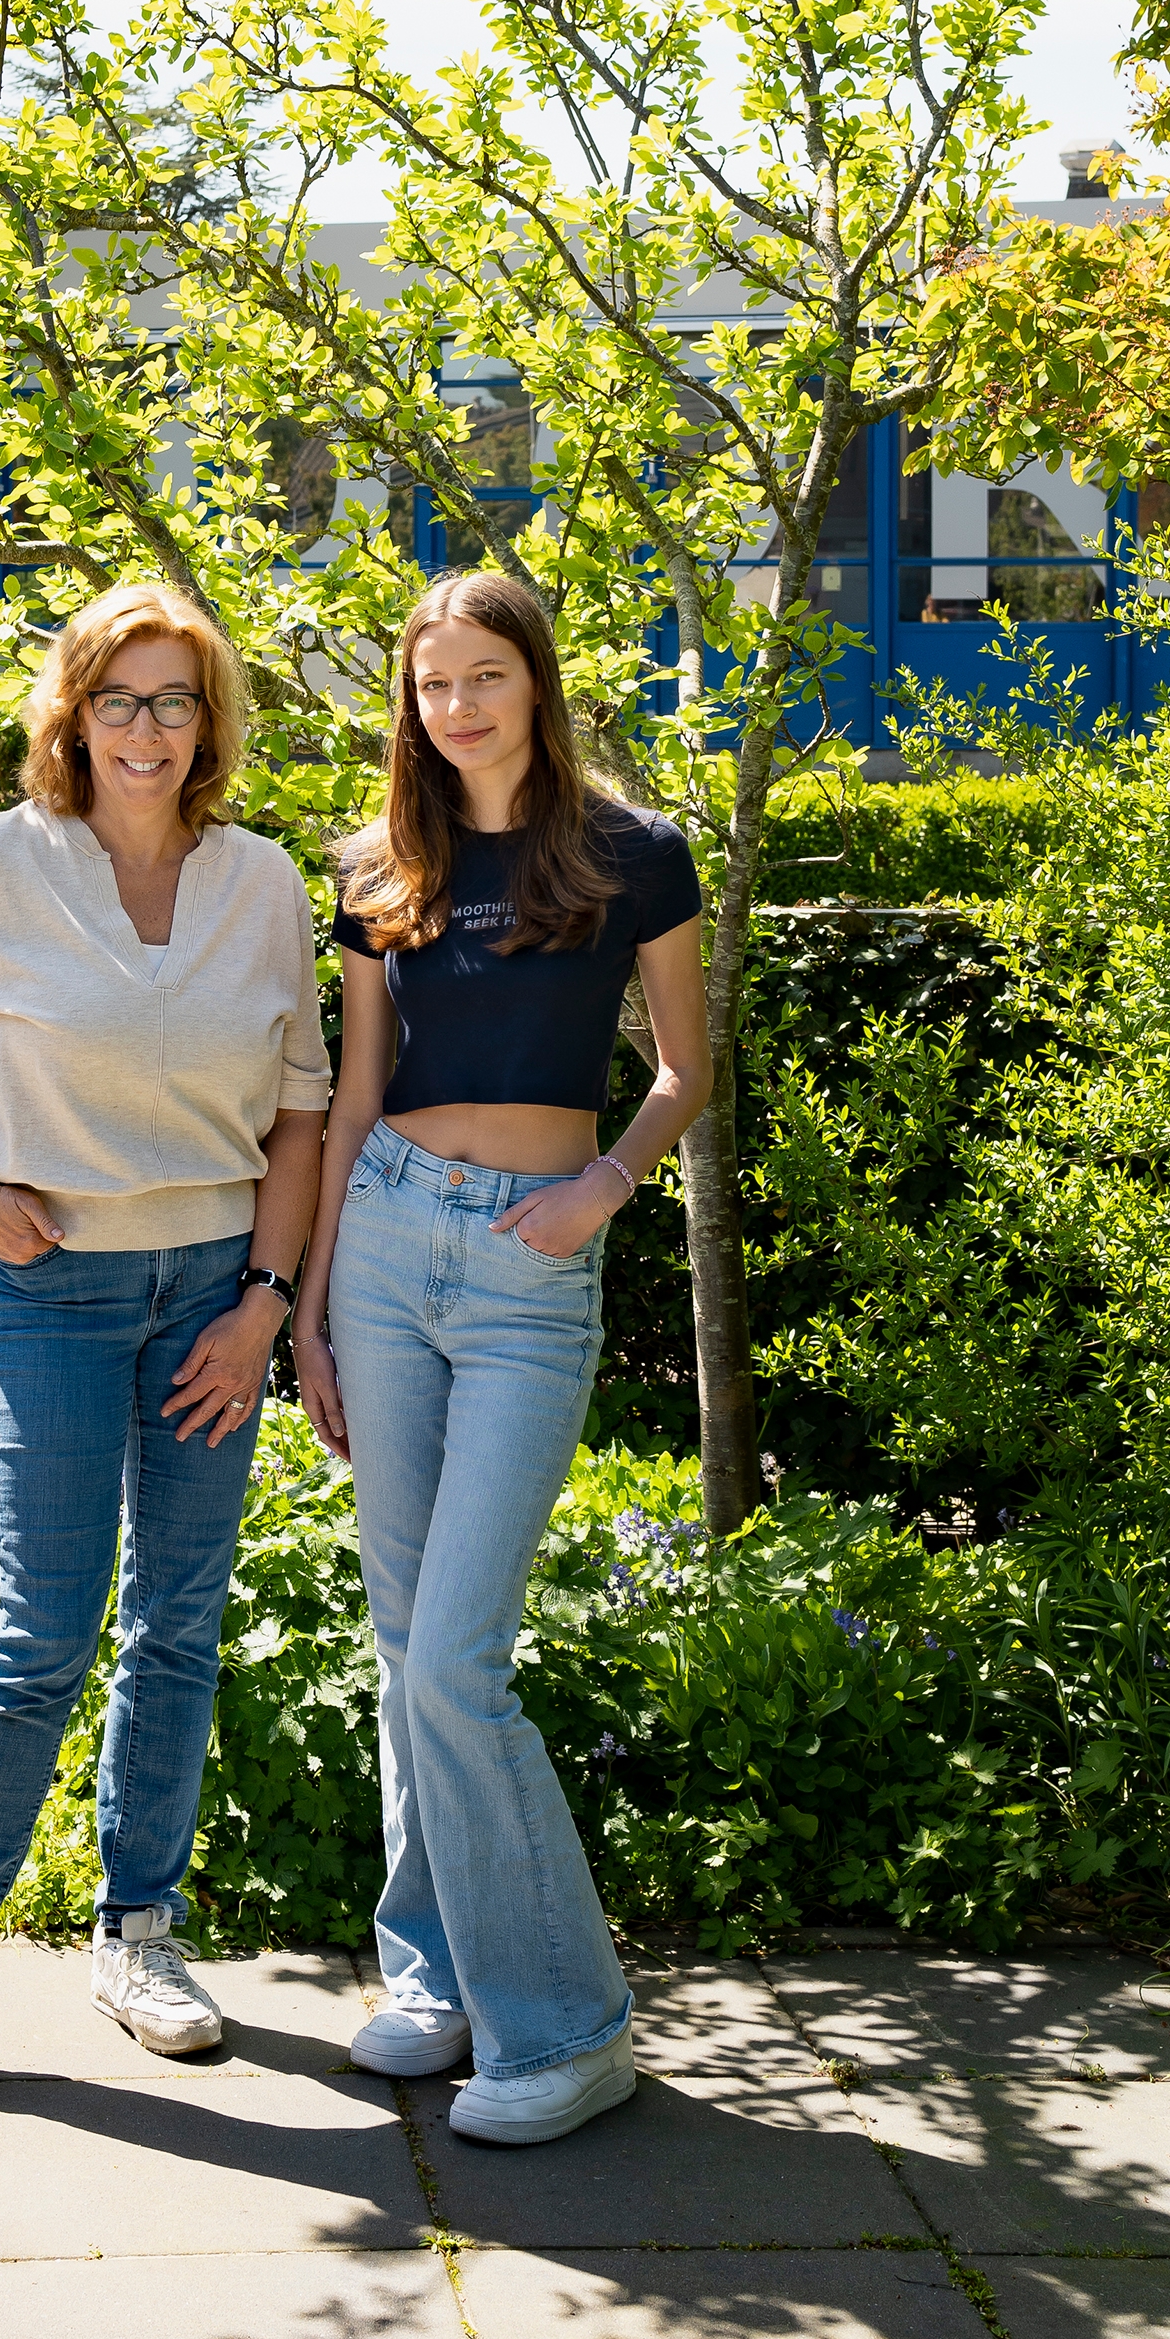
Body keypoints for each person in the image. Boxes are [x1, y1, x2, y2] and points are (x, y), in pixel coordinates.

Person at [0, 580, 329, 2130]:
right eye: (119, 699)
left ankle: (140, 1936)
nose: (146, 728)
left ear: (209, 723)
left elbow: (301, 1110)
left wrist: (263, 1301)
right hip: (51, 1288)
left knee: (178, 1623)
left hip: (212, 1295)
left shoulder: (260, 882)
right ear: (73, 716)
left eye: (174, 700)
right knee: (42, 1636)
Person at [297, 569, 711, 2146]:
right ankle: (436, 1979)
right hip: (386, 1243)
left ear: (534, 680)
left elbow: (681, 1068)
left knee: (455, 1655)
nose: (455, 706)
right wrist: (313, 1312)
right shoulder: (377, 865)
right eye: (431, 682)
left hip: (534, 1260)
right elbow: (350, 1100)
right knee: (405, 1638)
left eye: (483, 675)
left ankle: (568, 2031)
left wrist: (604, 1187)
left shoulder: (627, 853)